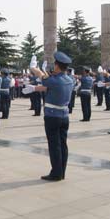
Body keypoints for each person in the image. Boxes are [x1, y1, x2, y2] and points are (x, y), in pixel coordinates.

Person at [23, 52, 73, 181]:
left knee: (54, 145)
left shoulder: (54, 80)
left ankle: (56, 173)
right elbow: (50, 87)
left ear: (57, 66)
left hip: (52, 117)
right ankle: (62, 171)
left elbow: (41, 76)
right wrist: (35, 88)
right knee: (63, 145)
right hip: (64, 117)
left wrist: (33, 67)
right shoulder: (69, 80)